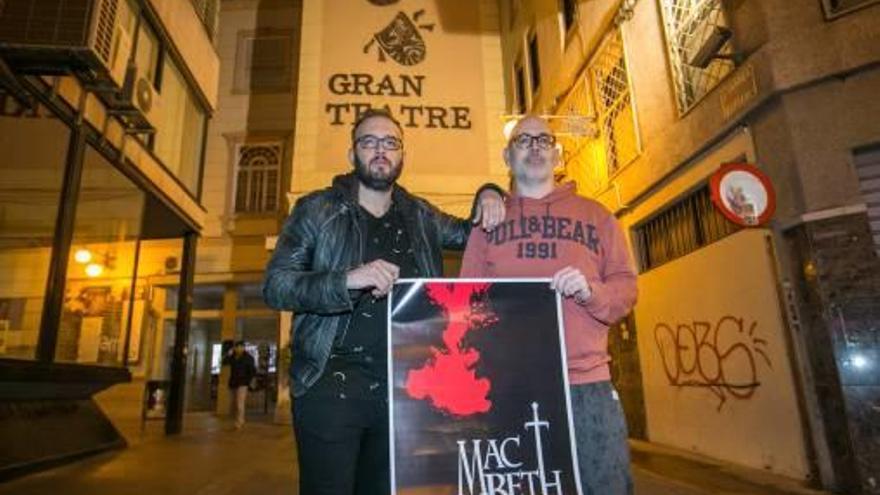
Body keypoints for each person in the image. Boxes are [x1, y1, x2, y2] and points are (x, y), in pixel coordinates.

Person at [262, 108, 505, 495]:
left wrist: (490, 191)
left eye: (390, 143)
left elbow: (475, 232)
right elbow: (276, 285)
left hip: (404, 391)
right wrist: (346, 280)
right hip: (329, 387)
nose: (380, 150)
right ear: (352, 154)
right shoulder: (317, 209)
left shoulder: (420, 214)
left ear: (402, 155)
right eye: (369, 142)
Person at [460, 115, 638, 495]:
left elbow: (625, 290)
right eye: (524, 140)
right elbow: (468, 300)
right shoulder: (487, 224)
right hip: (510, 387)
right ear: (508, 157)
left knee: (604, 487)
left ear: (557, 154)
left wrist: (592, 291)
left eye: (544, 139)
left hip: (585, 385)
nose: (536, 147)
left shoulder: (598, 216)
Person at [227, 340, 257, 430]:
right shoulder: (232, 357)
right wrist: (228, 355)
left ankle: (239, 422)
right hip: (233, 382)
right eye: (237, 347)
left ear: (243, 348)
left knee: (240, 403)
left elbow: (252, 370)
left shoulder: (248, 358)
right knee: (234, 403)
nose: (239, 349)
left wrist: (250, 380)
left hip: (243, 383)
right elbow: (224, 362)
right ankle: (237, 420)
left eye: (240, 347)